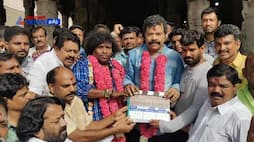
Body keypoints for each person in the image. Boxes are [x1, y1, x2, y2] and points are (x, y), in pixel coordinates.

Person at [124, 14, 184, 141]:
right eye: (150, 34)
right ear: (144, 35)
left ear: (165, 35)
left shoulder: (175, 57)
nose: (154, 38)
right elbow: (128, 76)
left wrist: (176, 88)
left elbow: (179, 80)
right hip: (137, 117)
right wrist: (128, 84)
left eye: (158, 34)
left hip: (163, 118)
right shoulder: (134, 54)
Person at [150, 30, 212, 141]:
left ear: (202, 48)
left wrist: (167, 125)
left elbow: (195, 108)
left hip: (189, 130)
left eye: (192, 50)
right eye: (184, 50)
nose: (187, 54)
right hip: (176, 124)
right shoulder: (188, 65)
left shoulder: (207, 72)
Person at [47, 66, 135, 141]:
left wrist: (114, 117)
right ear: (51, 88)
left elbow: (88, 126)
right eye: (66, 86)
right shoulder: (51, 108)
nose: (72, 89)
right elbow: (77, 137)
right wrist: (115, 129)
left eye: (74, 85)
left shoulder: (75, 100)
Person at [72, 32, 128, 140]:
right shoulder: (83, 64)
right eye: (100, 47)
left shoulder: (115, 66)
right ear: (93, 49)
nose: (104, 51)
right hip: (92, 123)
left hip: (116, 121)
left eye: (108, 48)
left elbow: (123, 89)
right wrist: (110, 93)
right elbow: (81, 90)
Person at [187, 64, 251, 142]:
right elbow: (197, 133)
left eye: (223, 86)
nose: (216, 90)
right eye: (212, 85)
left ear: (235, 87)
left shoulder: (240, 118)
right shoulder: (208, 102)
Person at [28, 30, 80, 96]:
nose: (72, 55)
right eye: (68, 51)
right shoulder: (41, 64)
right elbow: (33, 93)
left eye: (75, 51)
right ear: (56, 48)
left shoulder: (76, 63)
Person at [0, 73, 36, 142]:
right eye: (23, 95)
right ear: (7, 101)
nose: (31, 96)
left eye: (28, 92)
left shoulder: (35, 120)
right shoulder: (4, 131)